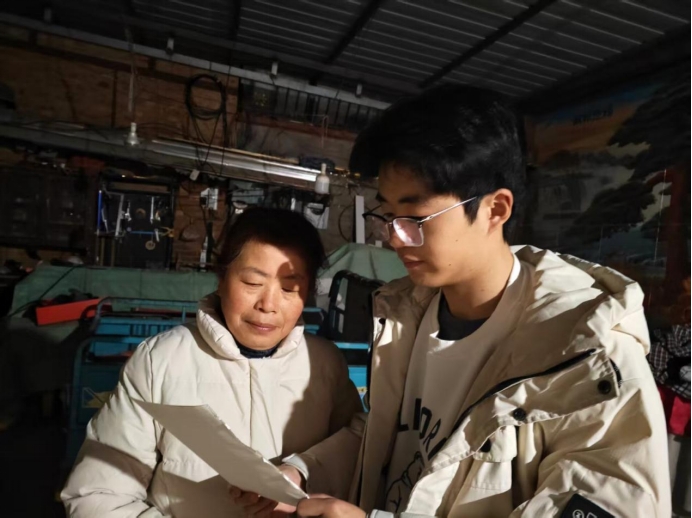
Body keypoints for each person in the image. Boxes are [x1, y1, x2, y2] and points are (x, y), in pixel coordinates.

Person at [233, 86, 671, 517]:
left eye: (415, 218)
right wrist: (302, 472)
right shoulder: (406, 313)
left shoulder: (587, 354)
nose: (395, 238)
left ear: (495, 210)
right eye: (388, 215)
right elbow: (385, 434)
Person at [62, 208, 362, 517]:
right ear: (221, 278)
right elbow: (98, 495)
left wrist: (303, 471)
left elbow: (359, 457)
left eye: (289, 288)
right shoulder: (161, 360)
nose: (268, 305)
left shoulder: (324, 364)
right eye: (252, 282)